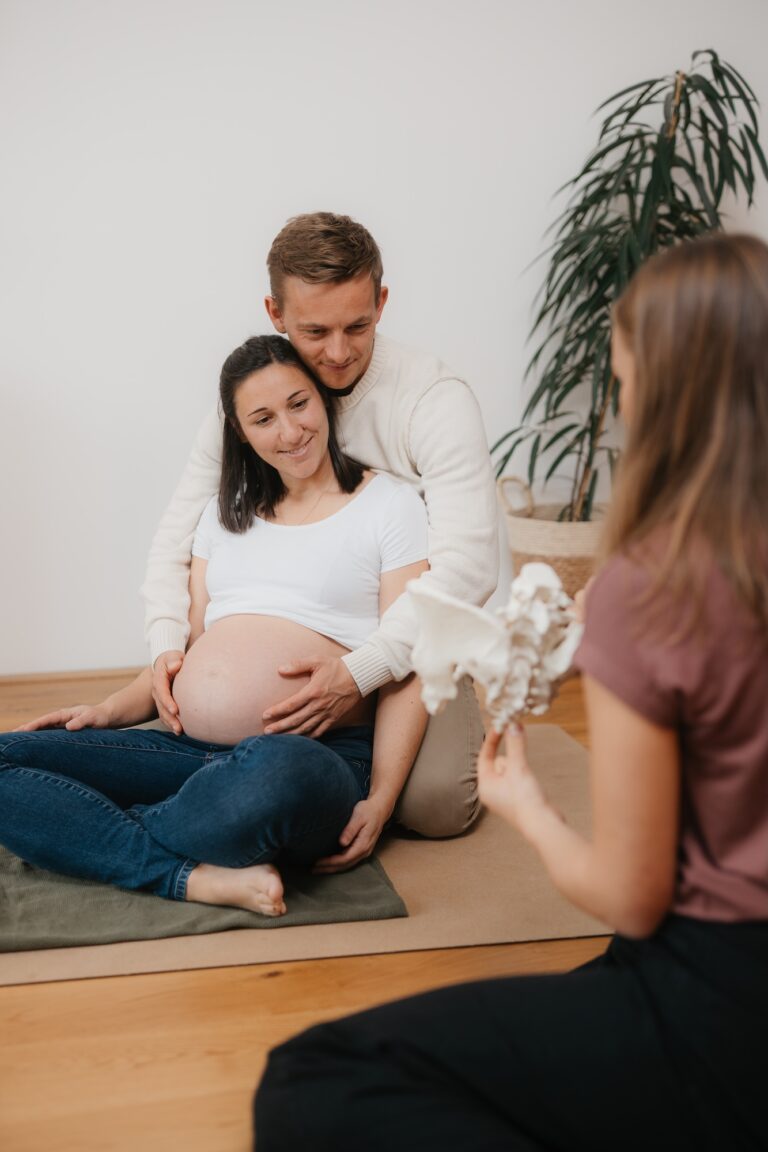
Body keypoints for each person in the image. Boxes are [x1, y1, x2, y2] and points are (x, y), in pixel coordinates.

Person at [253, 233, 768, 1148]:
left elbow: (636, 898)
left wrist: (525, 803)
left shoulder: (650, 594)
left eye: (625, 377)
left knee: (312, 1073)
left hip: (723, 995)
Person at [0, 336, 428, 916]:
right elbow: (192, 654)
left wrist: (381, 799)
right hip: (184, 751)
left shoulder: (390, 505)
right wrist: (109, 711)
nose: (291, 430)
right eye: (263, 418)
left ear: (324, 400)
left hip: (314, 756)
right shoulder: (223, 516)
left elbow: (411, 659)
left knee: (278, 773)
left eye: (299, 404)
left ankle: (91, 826)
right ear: (241, 432)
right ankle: (187, 873)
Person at [142, 212, 499, 838]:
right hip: (294, 620)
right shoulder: (259, 399)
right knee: (201, 720)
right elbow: (178, 536)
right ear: (275, 315)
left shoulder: (435, 401)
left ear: (382, 302)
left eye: (357, 325)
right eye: (315, 331)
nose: (337, 353)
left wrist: (362, 671)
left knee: (435, 808)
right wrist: (169, 644)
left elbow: (468, 570)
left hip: (413, 638)